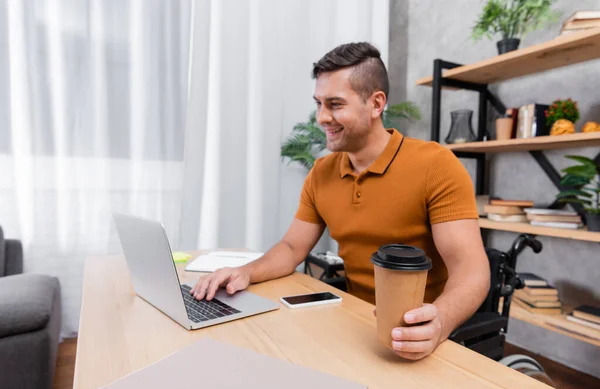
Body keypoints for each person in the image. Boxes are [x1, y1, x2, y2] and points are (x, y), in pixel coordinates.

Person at [190, 42, 490, 360]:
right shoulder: (322, 172)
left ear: (376, 104)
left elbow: (471, 270)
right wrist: (246, 272)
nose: (322, 117)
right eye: (319, 103)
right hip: (353, 322)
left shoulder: (435, 165)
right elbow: (292, 248)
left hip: (417, 335)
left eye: (335, 104)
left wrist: (439, 321)